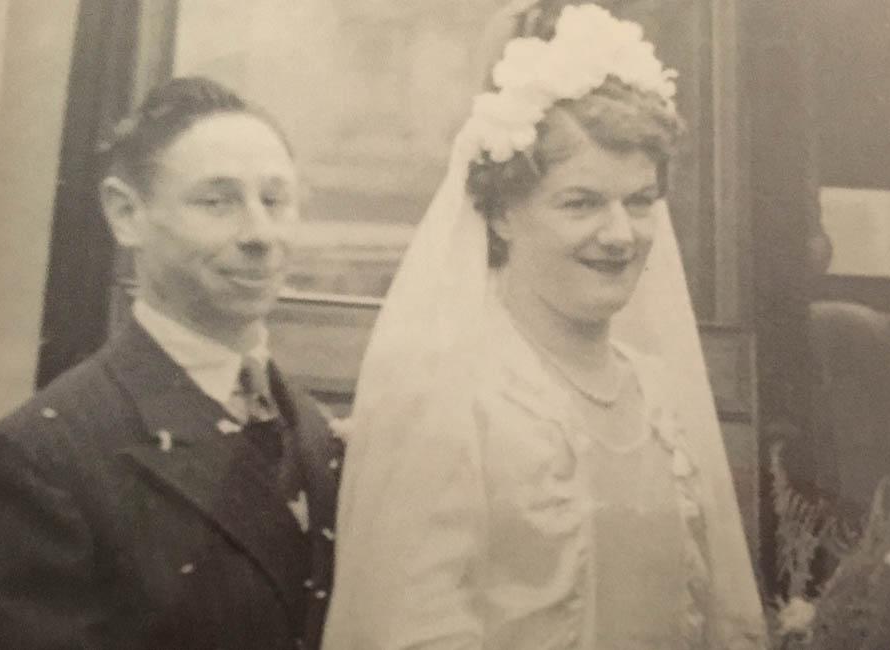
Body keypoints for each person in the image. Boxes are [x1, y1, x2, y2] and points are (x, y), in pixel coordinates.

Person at [323, 3, 767, 649]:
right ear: (502, 213)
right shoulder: (448, 399)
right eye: (581, 203)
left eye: (640, 202)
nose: (620, 235)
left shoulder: (662, 397)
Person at [0, 77, 342, 650]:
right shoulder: (43, 458)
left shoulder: (318, 433)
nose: (260, 233)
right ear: (126, 214)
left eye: (275, 200)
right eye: (217, 201)